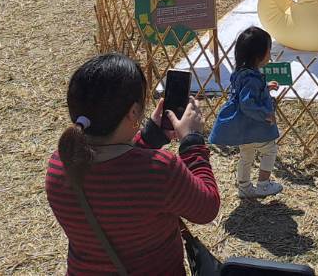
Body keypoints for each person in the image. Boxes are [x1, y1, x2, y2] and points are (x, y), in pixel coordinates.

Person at [45, 53, 219, 275]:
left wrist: (149, 137)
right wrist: (192, 141)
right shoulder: (160, 170)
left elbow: (115, 170)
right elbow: (207, 208)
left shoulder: (60, 163)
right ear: (134, 112)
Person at [209, 26, 283, 199]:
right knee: (270, 150)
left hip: (242, 127)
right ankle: (263, 185)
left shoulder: (241, 73)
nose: (270, 53)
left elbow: (245, 92)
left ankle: (244, 187)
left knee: (246, 155)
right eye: (269, 50)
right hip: (254, 126)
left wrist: (265, 87)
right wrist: (265, 114)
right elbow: (247, 102)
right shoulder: (252, 78)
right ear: (259, 54)